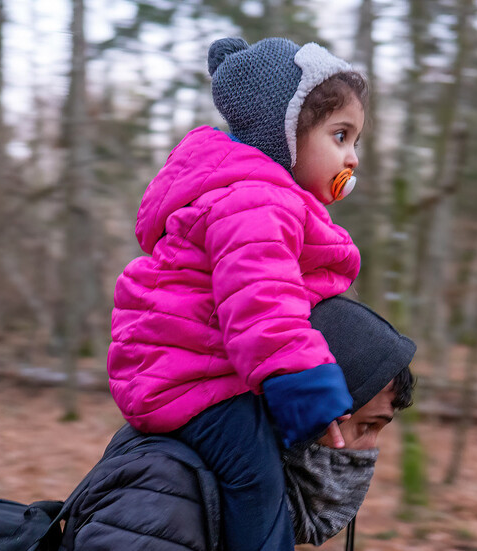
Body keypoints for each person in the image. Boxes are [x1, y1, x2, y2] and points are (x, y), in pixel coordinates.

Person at [107, 37, 370, 551]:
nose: (352, 158)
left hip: (196, 365)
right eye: (340, 135)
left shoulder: (257, 197)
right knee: (256, 478)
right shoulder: (256, 201)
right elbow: (264, 306)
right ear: (286, 135)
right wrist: (310, 395)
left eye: (356, 140)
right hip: (185, 375)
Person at [65, 296, 416, 551]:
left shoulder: (229, 497)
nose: (370, 451)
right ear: (300, 411)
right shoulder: (166, 497)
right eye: (367, 426)